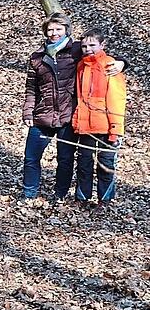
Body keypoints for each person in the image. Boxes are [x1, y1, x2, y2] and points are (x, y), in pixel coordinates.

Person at [20, 13, 123, 202]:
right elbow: (31, 88)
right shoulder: (37, 57)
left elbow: (101, 56)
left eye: (58, 29)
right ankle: (29, 193)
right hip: (42, 115)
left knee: (65, 160)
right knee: (31, 157)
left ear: (66, 30)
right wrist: (28, 111)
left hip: (68, 116)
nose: (54, 33)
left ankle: (60, 194)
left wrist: (122, 62)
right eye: (50, 29)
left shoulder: (76, 50)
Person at [72, 28, 126, 205]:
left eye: (92, 45)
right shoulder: (81, 65)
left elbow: (116, 99)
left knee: (106, 165)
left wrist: (115, 129)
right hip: (85, 125)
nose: (88, 49)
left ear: (102, 45)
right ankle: (82, 198)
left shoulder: (110, 65)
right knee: (83, 164)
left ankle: (106, 200)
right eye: (85, 46)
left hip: (106, 126)